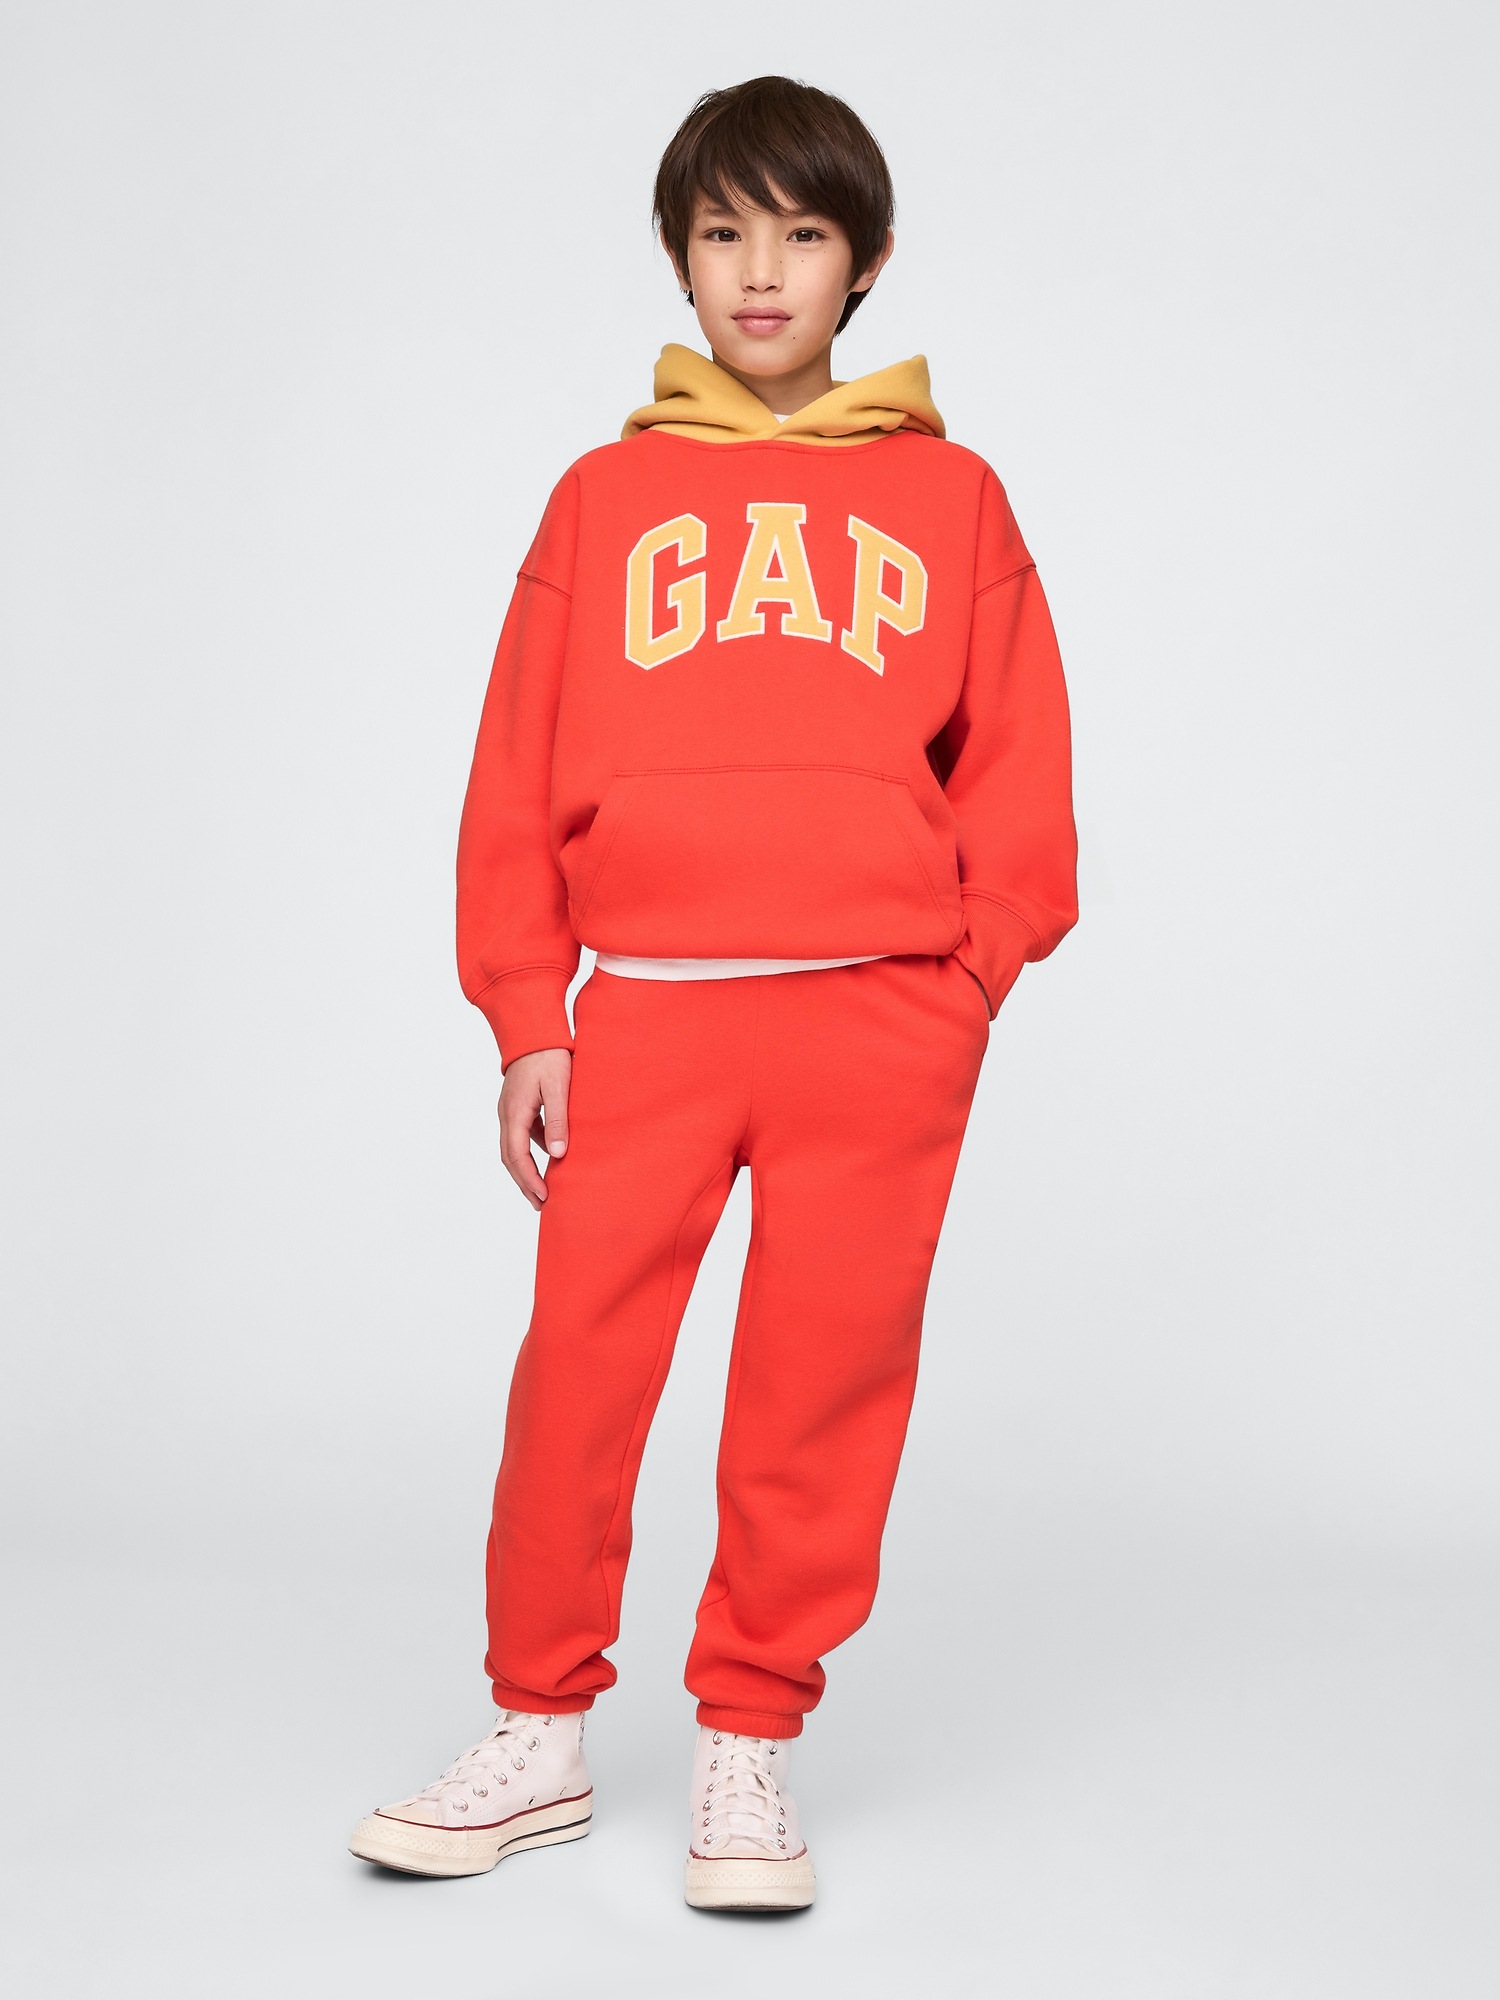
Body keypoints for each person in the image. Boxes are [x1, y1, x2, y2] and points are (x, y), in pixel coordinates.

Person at [349, 73, 1078, 1912]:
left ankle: (750, 1741)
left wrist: (969, 976)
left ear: (867, 263)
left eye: (803, 235)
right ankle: (538, 1731)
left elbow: (1021, 774)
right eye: (725, 233)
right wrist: (529, 1015)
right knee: (578, 1378)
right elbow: (513, 779)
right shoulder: (604, 496)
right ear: (679, 260)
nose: (763, 272)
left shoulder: (952, 496)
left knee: (821, 1388)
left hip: (877, 1019)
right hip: (652, 1010)